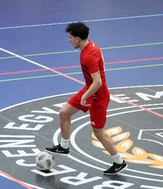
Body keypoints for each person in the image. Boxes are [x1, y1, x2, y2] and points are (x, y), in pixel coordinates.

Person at [45, 22, 127, 175]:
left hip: (98, 97)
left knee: (99, 133)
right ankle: (64, 146)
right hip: (89, 90)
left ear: (78, 38)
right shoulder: (88, 46)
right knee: (64, 113)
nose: (69, 40)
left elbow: (98, 82)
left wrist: (85, 96)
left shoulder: (89, 55)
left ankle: (119, 162)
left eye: (70, 37)